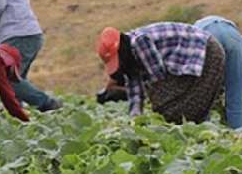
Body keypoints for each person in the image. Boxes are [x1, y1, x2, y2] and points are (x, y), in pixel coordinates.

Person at [96, 22, 226, 124]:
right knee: (172, 110)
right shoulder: (130, 59)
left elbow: (158, 79)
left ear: (120, 51)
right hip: (186, 62)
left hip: (206, 52)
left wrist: (156, 113)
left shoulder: (140, 43)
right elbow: (135, 94)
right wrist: (134, 120)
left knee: (181, 108)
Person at [192, 15, 242, 129]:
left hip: (207, 36)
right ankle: (238, 133)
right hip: (232, 36)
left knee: (204, 94)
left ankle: (206, 130)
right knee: (236, 93)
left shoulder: (195, 30)